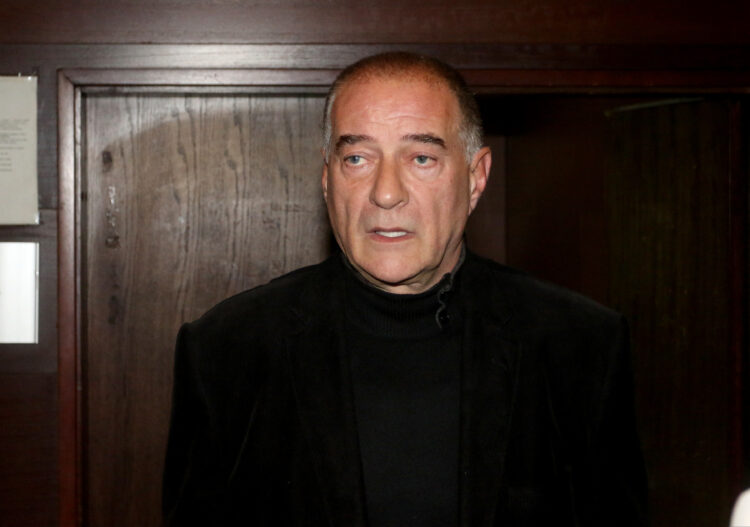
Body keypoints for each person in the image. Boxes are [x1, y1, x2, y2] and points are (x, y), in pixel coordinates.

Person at [162, 52, 648, 526]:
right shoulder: (228, 350)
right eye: (357, 158)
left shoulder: (580, 346)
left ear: (476, 178)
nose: (386, 192)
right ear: (328, 180)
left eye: (421, 158)